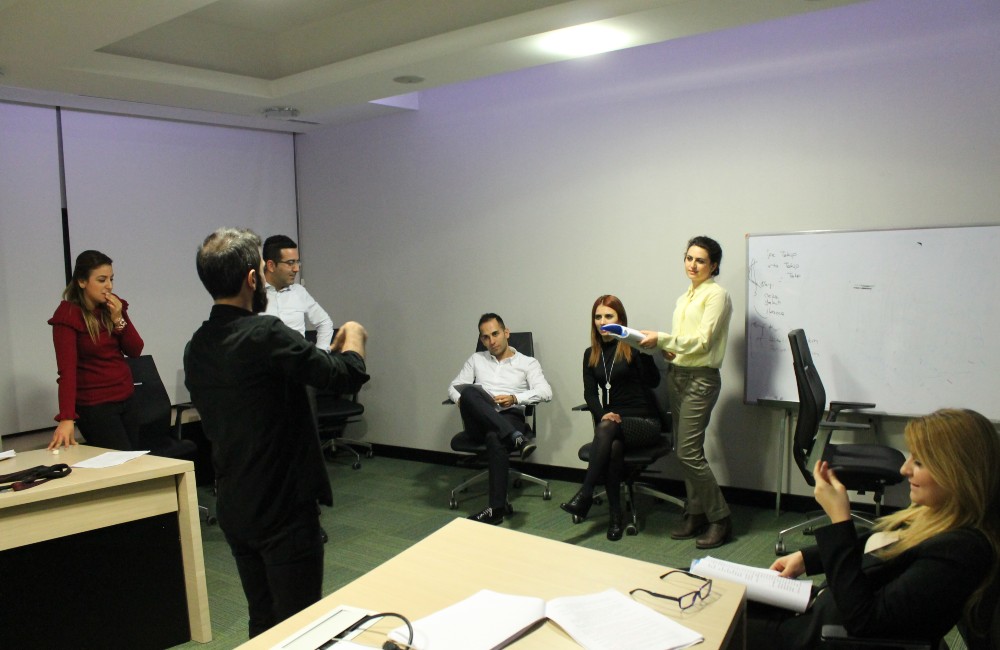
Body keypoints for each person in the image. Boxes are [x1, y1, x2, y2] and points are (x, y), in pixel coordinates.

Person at [184, 228, 369, 638]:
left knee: (263, 618)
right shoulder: (265, 334)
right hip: (283, 508)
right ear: (254, 279)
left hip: (235, 502)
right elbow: (345, 375)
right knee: (301, 627)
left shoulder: (197, 346)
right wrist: (354, 338)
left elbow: (263, 389)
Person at [749, 408, 1000, 649]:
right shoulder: (936, 515)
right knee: (737, 597)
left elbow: (865, 621)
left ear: (956, 474)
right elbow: (880, 545)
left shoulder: (961, 552)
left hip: (827, 637)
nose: (904, 469)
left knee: (733, 620)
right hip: (821, 611)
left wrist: (840, 519)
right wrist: (808, 558)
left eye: (919, 462)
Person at [639, 235, 733, 549]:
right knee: (685, 450)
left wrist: (664, 339)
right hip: (677, 375)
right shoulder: (684, 298)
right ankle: (696, 513)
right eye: (689, 258)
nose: (692, 265)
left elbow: (704, 342)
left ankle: (720, 518)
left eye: (700, 260)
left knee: (688, 453)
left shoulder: (717, 296)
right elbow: (683, 342)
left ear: (713, 266)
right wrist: (668, 351)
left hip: (700, 380)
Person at [560, 295, 663, 541]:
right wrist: (603, 413)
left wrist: (644, 352)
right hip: (613, 424)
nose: (603, 321)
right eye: (598, 317)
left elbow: (654, 382)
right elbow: (589, 394)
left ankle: (586, 493)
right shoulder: (591, 354)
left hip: (644, 422)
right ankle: (616, 517)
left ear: (620, 320)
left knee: (607, 428)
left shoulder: (632, 347)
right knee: (613, 445)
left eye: (609, 316)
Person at [447, 313, 552, 525]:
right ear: (481, 339)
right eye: (485, 337)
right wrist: (464, 401)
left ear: (506, 333)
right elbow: (453, 387)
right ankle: (516, 437)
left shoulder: (527, 363)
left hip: (509, 415)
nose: (491, 341)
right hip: (478, 421)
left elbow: (546, 392)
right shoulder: (476, 359)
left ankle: (496, 510)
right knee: (469, 392)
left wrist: (515, 398)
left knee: (495, 437)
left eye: (495, 334)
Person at [47, 250, 145, 451]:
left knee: (135, 460)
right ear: (82, 282)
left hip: (126, 397)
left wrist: (118, 319)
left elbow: (135, 350)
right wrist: (67, 417)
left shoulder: (113, 306)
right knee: (120, 462)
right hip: (96, 405)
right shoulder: (68, 315)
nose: (109, 286)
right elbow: (67, 371)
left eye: (111, 279)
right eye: (101, 280)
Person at [262, 234, 334, 349]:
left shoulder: (299, 292)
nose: (296, 269)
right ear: (271, 265)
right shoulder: (251, 294)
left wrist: (321, 353)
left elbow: (325, 323)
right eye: (290, 263)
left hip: (298, 359)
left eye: (297, 262)